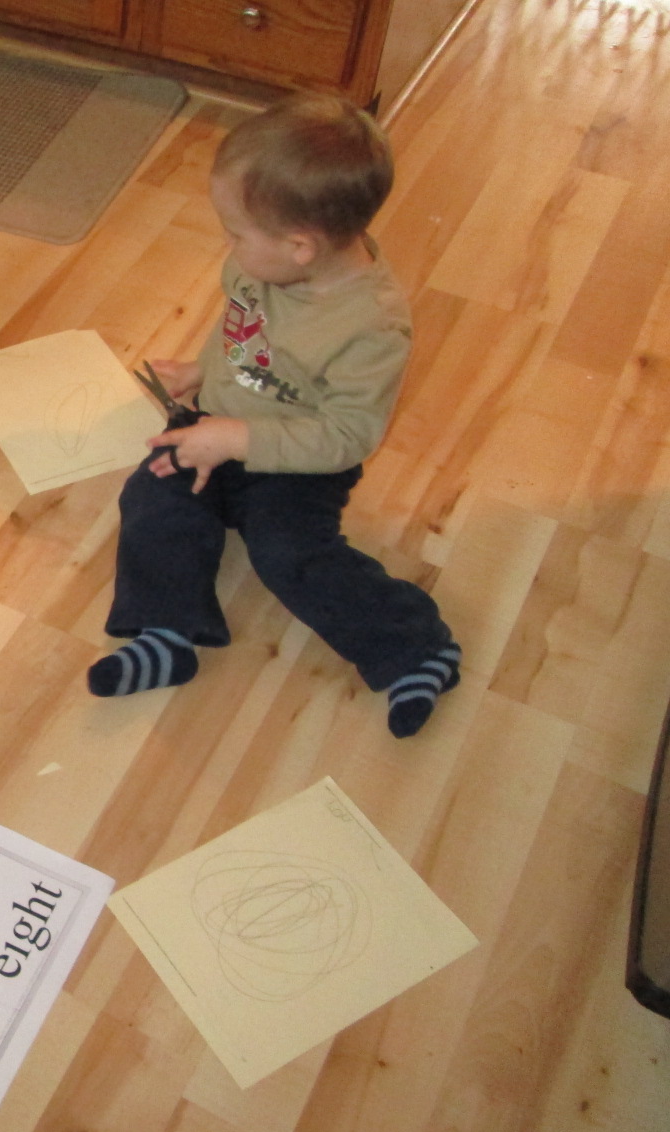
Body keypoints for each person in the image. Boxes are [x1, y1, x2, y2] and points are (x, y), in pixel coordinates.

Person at [89, 92, 459, 738]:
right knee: (152, 499)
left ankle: (416, 645)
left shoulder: (371, 328)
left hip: (298, 464)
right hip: (216, 425)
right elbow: (237, 323)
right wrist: (206, 372)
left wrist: (240, 437)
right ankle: (167, 635)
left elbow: (349, 434)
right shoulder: (260, 268)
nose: (227, 245)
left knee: (289, 555)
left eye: (236, 231)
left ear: (299, 246)